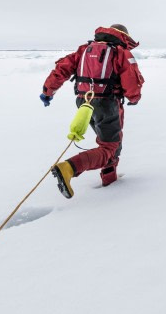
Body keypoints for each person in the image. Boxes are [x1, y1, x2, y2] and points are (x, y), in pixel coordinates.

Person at [40, 24, 144, 198]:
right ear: (124, 36)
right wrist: (134, 98)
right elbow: (131, 80)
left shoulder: (84, 50)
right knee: (109, 146)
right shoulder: (120, 52)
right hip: (107, 103)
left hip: (84, 102)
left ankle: (109, 180)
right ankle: (69, 168)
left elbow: (61, 70)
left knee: (111, 143)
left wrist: (47, 92)